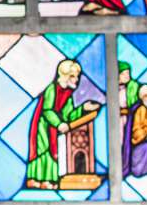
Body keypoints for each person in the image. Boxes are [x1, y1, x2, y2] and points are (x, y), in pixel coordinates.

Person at [25, 57, 97, 190]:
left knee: (54, 154)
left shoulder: (68, 94)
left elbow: (68, 115)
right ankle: (36, 179)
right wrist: (58, 124)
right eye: (73, 76)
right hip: (44, 127)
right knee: (44, 152)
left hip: (55, 128)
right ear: (64, 76)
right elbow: (47, 111)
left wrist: (83, 109)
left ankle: (50, 180)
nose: (76, 79)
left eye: (77, 76)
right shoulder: (52, 89)